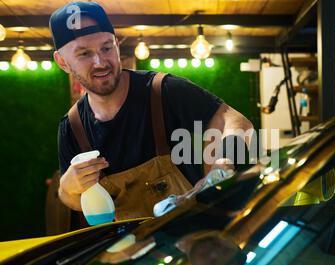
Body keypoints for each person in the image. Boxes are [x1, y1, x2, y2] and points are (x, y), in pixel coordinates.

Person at [50, 2, 253, 220]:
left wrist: (222, 164)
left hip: (194, 238)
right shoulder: (72, 127)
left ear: (117, 45)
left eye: (106, 48)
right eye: (84, 53)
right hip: (133, 250)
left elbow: (236, 122)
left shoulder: (163, 91)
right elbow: (73, 201)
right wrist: (68, 188)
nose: (100, 62)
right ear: (62, 62)